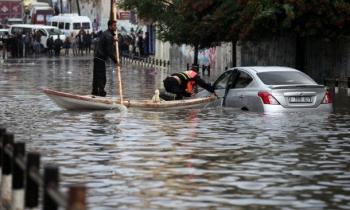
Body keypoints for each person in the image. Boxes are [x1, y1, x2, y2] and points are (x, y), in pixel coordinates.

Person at [91, 20, 117, 97]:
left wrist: (113, 40)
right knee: (102, 77)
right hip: (100, 58)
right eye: (114, 25)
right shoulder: (109, 36)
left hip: (97, 57)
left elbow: (106, 42)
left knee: (96, 76)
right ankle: (101, 93)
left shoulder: (106, 33)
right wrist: (116, 61)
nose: (116, 27)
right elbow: (109, 51)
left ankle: (95, 92)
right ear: (110, 26)